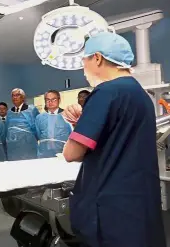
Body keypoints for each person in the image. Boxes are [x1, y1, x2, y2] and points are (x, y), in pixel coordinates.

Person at [61, 32, 166, 247]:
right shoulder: (142, 96)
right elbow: (114, 142)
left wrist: (80, 127)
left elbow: (72, 154)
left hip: (110, 208)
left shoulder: (105, 92)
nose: (84, 69)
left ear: (97, 58)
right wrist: (84, 124)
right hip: (138, 204)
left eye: (84, 61)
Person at [35, 90, 71, 158]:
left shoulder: (67, 115)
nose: (50, 102)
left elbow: (72, 135)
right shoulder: (39, 118)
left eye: (53, 99)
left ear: (59, 100)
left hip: (62, 153)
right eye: (47, 100)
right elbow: (39, 135)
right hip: (44, 153)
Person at [5, 88, 39, 161]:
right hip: (13, 147)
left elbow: (37, 128)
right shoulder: (9, 113)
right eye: (13, 96)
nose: (15, 97)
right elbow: (7, 129)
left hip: (28, 146)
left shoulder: (31, 110)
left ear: (23, 97)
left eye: (17, 95)